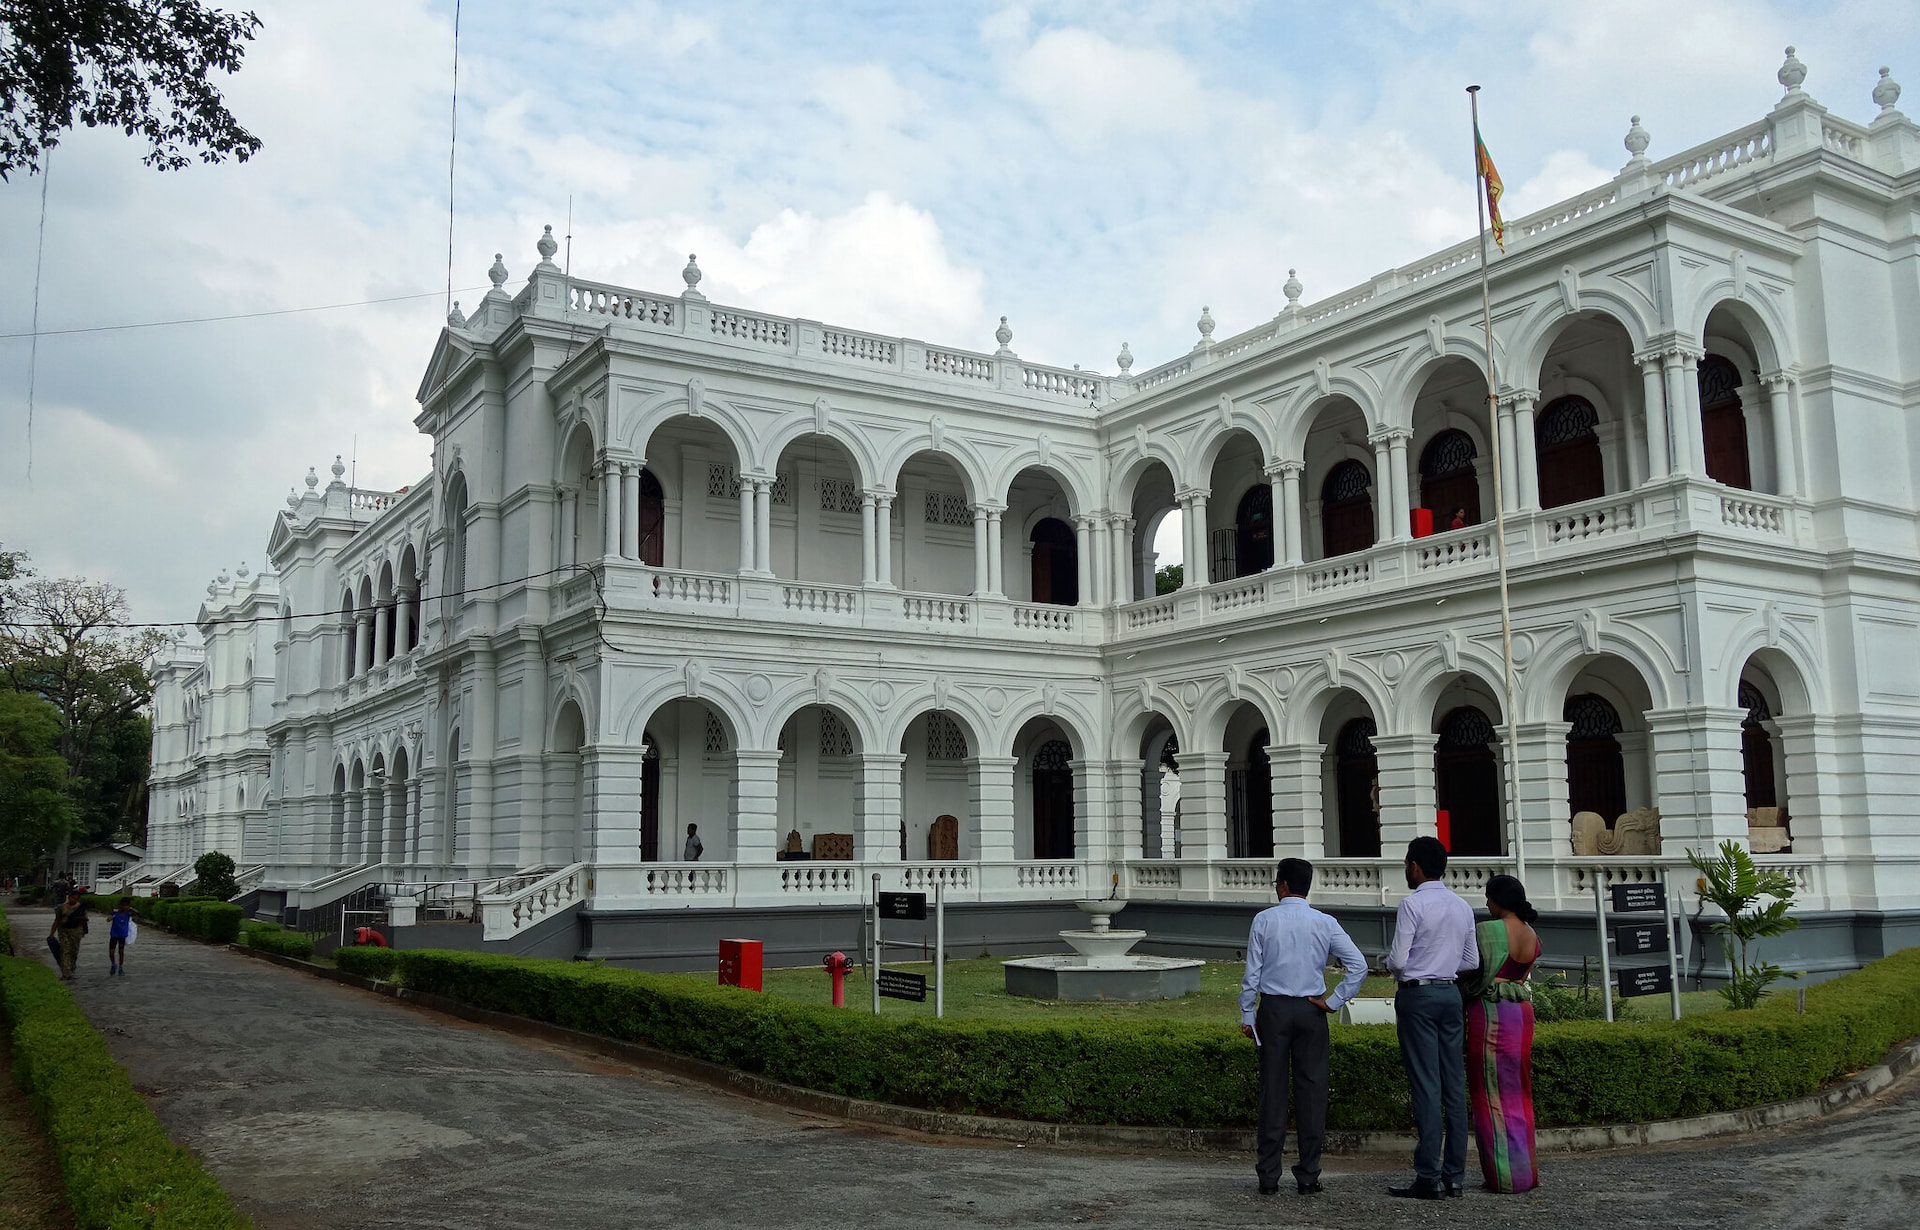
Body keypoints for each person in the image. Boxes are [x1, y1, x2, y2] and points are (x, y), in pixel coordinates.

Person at [1240, 858, 1367, 1196]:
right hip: (1312, 1010)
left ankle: (1268, 1176)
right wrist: (1335, 1000)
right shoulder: (1324, 922)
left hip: (1274, 1009)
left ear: (1281, 884)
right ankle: (1308, 1175)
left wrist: (1247, 1014)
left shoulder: (1264, 919)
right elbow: (1358, 964)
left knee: (1273, 1091)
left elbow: (1252, 972)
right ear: (1306, 886)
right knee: (1311, 1093)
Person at [1386, 835, 1479, 1199]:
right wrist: (1444, 964)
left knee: (1426, 1084)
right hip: (1450, 993)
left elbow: (1397, 959)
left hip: (1418, 994)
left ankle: (1428, 1174)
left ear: (1416, 866)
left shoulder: (1412, 905)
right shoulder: (1462, 906)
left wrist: (1395, 967)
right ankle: (1454, 1176)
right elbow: (1470, 961)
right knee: (1454, 1083)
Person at [1463, 874, 1541, 1193]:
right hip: (1521, 1013)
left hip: (1491, 1012)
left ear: (1497, 901)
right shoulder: (1531, 933)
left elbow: (1471, 972)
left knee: (1489, 1093)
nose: (1486, 903)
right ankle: (1525, 1173)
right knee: (1519, 1092)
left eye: (1488, 898)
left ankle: (1502, 1176)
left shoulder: (1489, 930)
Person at [51, 890, 89, 981]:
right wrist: (52, 933)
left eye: (76, 899)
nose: (73, 900)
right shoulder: (61, 908)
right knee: (64, 951)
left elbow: (85, 920)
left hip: (76, 931)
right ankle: (66, 973)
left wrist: (84, 930)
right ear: (69, 897)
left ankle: (71, 968)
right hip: (64, 931)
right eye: (72, 898)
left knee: (74, 952)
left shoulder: (80, 908)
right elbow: (57, 920)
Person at [108, 897, 138, 976]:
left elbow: (137, 913)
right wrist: (112, 916)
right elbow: (108, 919)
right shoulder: (115, 912)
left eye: (126, 906)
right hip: (114, 934)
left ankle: (121, 967)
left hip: (122, 935)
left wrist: (130, 908)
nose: (124, 907)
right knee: (111, 951)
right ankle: (113, 964)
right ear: (120, 905)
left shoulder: (128, 913)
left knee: (121, 952)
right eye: (123, 905)